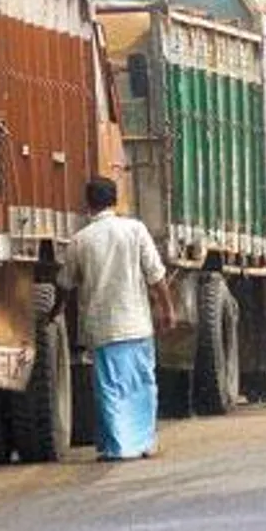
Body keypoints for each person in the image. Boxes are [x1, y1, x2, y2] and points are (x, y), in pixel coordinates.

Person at [54, 177, 176, 461]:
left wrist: (55, 311)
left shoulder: (80, 241)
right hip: (136, 324)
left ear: (88, 203)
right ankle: (145, 442)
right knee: (143, 384)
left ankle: (118, 447)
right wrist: (168, 309)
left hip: (103, 328)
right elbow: (156, 275)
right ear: (116, 200)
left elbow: (65, 284)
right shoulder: (136, 230)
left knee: (110, 388)